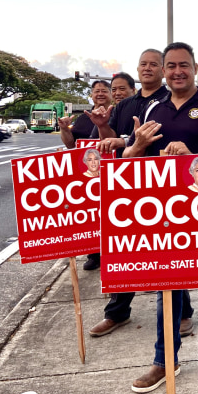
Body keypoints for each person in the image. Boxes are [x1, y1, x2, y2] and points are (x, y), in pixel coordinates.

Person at [124, 42, 198, 394]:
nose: (177, 71)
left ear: (195, 69)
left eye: (184, 66)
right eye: (170, 66)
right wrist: (136, 147)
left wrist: (196, 157)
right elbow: (129, 161)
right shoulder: (152, 109)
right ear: (163, 71)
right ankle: (164, 361)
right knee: (167, 289)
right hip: (162, 215)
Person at [86, 50, 195, 339]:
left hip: (165, 185)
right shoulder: (126, 105)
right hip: (129, 185)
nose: (148, 68)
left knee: (170, 251)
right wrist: (103, 127)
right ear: (137, 69)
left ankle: (183, 311)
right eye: (142, 64)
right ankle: (117, 312)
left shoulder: (168, 100)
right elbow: (114, 142)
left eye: (153, 64)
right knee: (125, 248)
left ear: (162, 70)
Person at [59, 74, 135, 270]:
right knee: (92, 214)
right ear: (91, 95)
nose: (101, 94)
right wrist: (64, 129)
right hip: (92, 175)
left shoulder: (122, 113)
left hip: (119, 174)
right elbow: (71, 144)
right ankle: (94, 253)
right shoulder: (84, 118)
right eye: (97, 91)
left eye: (105, 91)